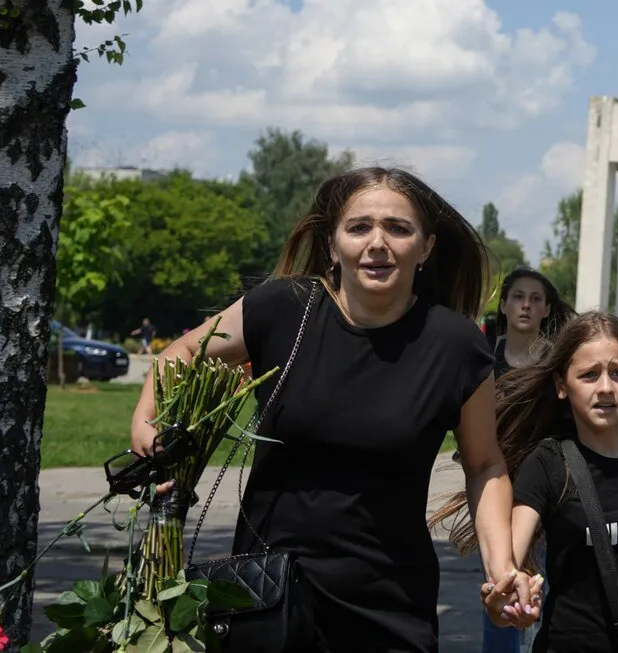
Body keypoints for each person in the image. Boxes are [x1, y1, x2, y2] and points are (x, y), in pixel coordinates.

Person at [129, 166, 531, 651]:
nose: (377, 242)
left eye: (397, 228)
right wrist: (146, 420)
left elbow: (485, 464)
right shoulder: (283, 308)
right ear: (331, 244)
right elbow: (184, 353)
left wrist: (503, 567)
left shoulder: (455, 345)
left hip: (390, 601)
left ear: (425, 248)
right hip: (267, 591)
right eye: (359, 226)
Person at [444, 311, 618, 653]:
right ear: (562, 386)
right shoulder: (548, 461)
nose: (606, 387)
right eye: (589, 375)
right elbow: (512, 565)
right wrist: (507, 600)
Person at [483, 268, 575, 653]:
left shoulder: (557, 364)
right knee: (501, 586)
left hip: (548, 491)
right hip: (496, 489)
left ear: (546, 308)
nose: (526, 304)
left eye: (535, 298)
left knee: (547, 588)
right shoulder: (482, 359)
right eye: (518, 296)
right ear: (503, 306)